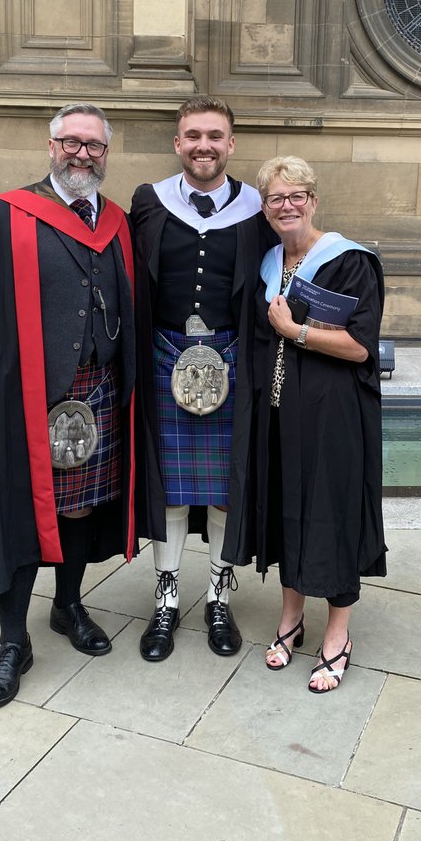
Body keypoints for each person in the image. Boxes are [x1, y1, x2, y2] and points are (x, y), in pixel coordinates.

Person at [0, 104, 136, 708]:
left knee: (80, 509)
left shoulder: (119, 223)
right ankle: (12, 642)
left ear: (106, 153)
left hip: (99, 388)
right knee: (17, 512)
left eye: (94, 145)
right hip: (20, 394)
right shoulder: (0, 215)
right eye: (71, 142)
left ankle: (68, 605)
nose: (83, 154)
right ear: (51, 146)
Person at [131, 95, 274, 661]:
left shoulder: (258, 209)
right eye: (193, 135)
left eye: (214, 136)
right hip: (165, 355)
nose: (203, 146)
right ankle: (166, 599)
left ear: (231, 144)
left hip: (232, 358)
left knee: (223, 491)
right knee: (169, 488)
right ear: (178, 143)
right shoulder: (150, 201)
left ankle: (218, 596)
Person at [253, 155, 386, 693]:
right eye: (275, 198)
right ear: (265, 207)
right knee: (288, 514)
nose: (286, 205)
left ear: (313, 201)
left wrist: (295, 331)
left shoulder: (350, 262)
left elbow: (360, 347)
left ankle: (337, 635)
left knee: (332, 517)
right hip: (280, 416)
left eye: (296, 196)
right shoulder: (269, 263)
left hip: (334, 419)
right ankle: (291, 618)